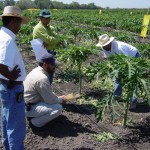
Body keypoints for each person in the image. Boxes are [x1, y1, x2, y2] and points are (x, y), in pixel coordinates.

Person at [0, 6, 29, 150]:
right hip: (12, 88)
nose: (19, 26)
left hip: (6, 86)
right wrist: (11, 77)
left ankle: (8, 147)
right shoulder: (7, 40)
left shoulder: (2, 35)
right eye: (19, 22)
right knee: (16, 126)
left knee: (7, 120)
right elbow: (1, 64)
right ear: (12, 21)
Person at [96, 34, 141, 110]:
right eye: (103, 46)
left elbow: (126, 60)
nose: (104, 47)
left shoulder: (119, 47)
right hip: (120, 61)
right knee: (117, 78)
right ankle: (117, 96)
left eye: (105, 45)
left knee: (132, 80)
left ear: (110, 43)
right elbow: (110, 59)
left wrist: (125, 72)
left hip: (133, 57)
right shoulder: (104, 47)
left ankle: (133, 101)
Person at [24, 53, 67, 128]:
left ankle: (33, 116)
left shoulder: (36, 70)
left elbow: (46, 93)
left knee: (56, 101)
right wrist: (61, 100)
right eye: (52, 65)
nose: (54, 67)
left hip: (27, 104)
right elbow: (49, 100)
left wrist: (58, 97)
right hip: (29, 107)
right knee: (58, 108)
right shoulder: (42, 78)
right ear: (45, 64)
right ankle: (35, 123)